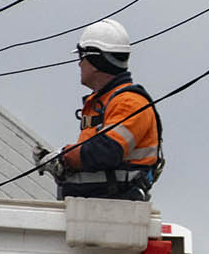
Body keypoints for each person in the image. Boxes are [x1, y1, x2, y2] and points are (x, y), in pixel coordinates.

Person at [55, 18, 164, 201]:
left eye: (82, 57)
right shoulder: (104, 102)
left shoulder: (130, 102)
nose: (79, 64)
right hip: (97, 207)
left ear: (96, 59)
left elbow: (105, 152)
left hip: (117, 209)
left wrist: (64, 156)